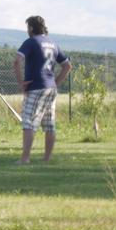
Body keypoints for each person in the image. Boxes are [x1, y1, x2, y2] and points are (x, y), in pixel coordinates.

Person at [13, 15, 71, 164]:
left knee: (28, 123)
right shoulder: (53, 43)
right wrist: (55, 83)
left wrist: (21, 83)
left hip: (35, 87)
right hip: (50, 88)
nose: (27, 30)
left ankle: (25, 159)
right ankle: (46, 159)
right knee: (49, 125)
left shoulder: (31, 42)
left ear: (31, 28)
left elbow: (17, 61)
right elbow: (67, 66)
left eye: (28, 27)